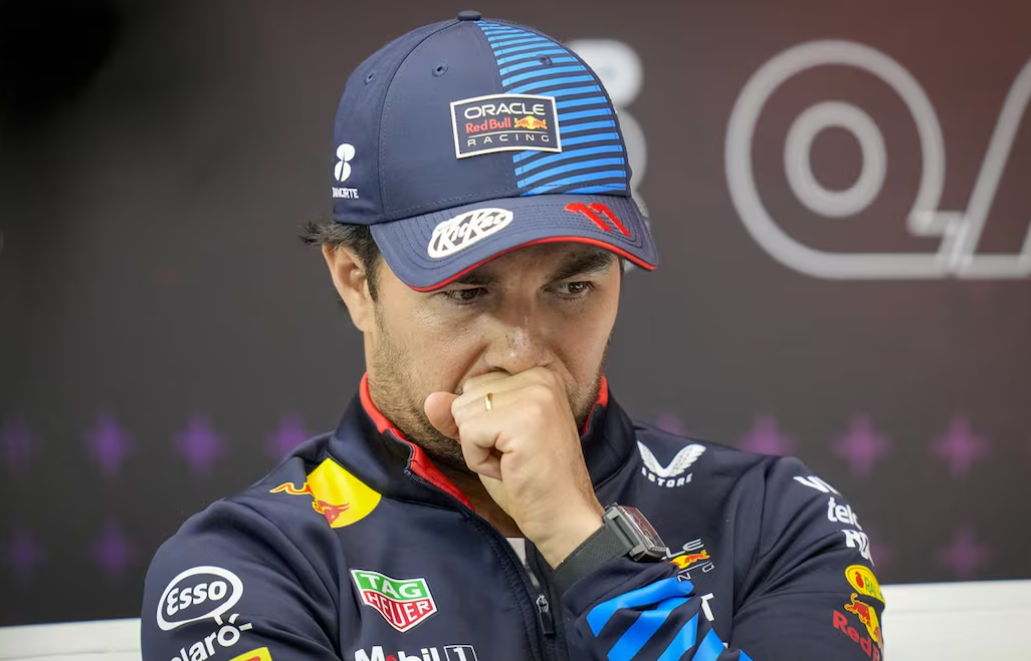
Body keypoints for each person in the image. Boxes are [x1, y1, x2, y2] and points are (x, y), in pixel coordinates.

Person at [142, 12, 885, 661]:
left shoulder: (767, 513)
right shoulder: (250, 566)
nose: (524, 353)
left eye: (572, 287)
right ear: (354, 282)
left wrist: (585, 543)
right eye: (467, 292)